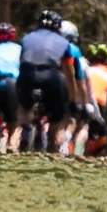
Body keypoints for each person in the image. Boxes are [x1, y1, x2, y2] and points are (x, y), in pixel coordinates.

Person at [13, 12, 74, 152]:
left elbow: (21, 61)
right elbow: (69, 74)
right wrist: (72, 96)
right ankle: (53, 148)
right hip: (51, 77)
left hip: (27, 74)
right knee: (56, 120)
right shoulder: (65, 43)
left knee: (23, 110)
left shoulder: (26, 38)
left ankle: (13, 142)